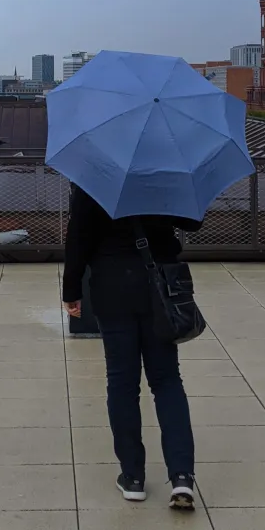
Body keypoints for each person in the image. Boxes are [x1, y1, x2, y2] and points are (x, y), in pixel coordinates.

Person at [62, 183, 201, 510]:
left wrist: (71, 289)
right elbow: (194, 222)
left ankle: (133, 477)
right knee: (167, 381)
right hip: (160, 290)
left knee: (122, 384)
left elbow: (79, 236)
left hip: (112, 288)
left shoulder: (97, 173)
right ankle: (182, 476)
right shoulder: (165, 170)